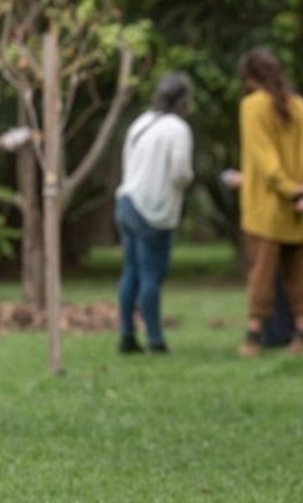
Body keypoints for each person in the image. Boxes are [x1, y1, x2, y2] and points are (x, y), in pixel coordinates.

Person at [232, 47, 303, 357]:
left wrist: (288, 190)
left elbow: (264, 159)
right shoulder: (301, 105)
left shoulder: (251, 107)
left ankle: (253, 338)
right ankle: (302, 337)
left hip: (266, 208)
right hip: (301, 209)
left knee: (260, 273)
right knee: (300, 275)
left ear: (249, 77)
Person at [114, 71, 194, 355]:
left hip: (126, 201)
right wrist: (185, 182)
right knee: (151, 275)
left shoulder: (140, 123)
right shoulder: (178, 129)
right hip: (153, 209)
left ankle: (126, 335)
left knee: (131, 272)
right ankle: (155, 339)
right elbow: (180, 172)